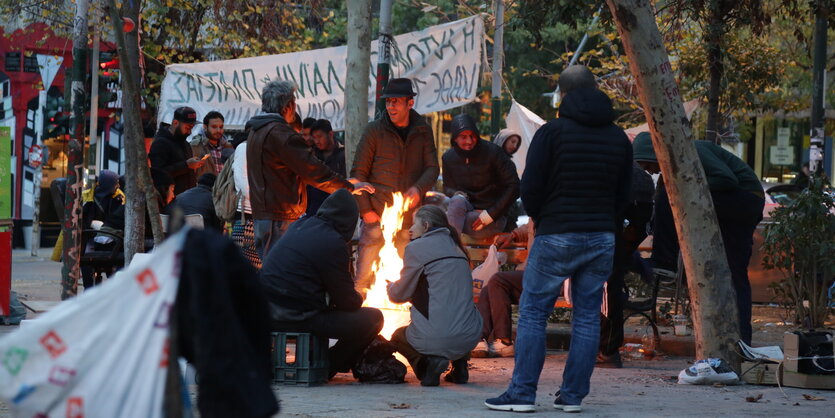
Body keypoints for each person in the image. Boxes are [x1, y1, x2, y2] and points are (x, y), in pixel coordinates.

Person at [485, 65, 632, 413]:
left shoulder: (552, 133)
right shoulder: (617, 137)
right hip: (601, 238)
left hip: (557, 234)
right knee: (586, 316)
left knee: (535, 313)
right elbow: (625, 194)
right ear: (594, 90)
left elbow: (531, 187)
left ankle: (522, 394)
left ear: (563, 95)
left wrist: (543, 217)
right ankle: (572, 397)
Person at [632, 132, 765, 345]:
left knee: (671, 187)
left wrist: (685, 185)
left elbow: (726, 179)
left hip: (744, 198)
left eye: (648, 165)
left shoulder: (693, 149)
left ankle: (665, 261)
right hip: (739, 204)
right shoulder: (674, 163)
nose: (650, 171)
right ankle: (741, 341)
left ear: (655, 153)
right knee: (734, 273)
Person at [262, 189, 384, 379]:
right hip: (298, 317)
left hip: (267, 311)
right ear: (348, 221)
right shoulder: (332, 242)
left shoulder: (300, 225)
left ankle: (315, 358)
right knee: (373, 318)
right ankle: (329, 364)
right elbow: (347, 302)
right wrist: (360, 294)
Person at [245, 80, 374, 259]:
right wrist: (348, 187)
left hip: (264, 214)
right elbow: (314, 172)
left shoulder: (256, 131)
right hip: (280, 217)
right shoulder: (281, 134)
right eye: (294, 102)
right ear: (289, 106)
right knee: (282, 273)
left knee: (272, 272)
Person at [351, 78, 440, 297]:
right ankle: (357, 314)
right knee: (362, 278)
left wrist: (418, 189)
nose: (391, 106)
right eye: (388, 102)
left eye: (396, 102)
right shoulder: (374, 131)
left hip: (407, 217)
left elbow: (432, 168)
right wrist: (366, 211)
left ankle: (401, 322)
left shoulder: (423, 131)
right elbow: (357, 175)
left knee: (403, 276)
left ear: (410, 103)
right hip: (375, 211)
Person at [387, 205, 482, 386]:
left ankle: (429, 367)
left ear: (427, 225)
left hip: (437, 336)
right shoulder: (458, 248)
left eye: (414, 223)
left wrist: (391, 287)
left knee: (398, 336)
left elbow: (399, 296)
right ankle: (460, 367)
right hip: (469, 335)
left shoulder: (416, 248)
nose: (411, 229)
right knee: (455, 315)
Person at [597, 160, 655, 368]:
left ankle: (606, 350)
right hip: (615, 235)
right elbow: (640, 224)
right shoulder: (637, 174)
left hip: (603, 237)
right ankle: (606, 349)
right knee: (608, 290)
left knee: (605, 292)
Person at [442, 114, 519, 239]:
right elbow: (448, 188)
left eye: (472, 136)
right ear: (455, 138)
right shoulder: (448, 157)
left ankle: (450, 246)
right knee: (454, 204)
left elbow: (514, 185)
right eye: (463, 137)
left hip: (493, 216)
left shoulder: (493, 152)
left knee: (446, 221)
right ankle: (451, 248)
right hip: (465, 211)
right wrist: (461, 195)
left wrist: (489, 214)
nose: (469, 141)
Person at [80, 170, 125, 288]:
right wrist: (92, 223)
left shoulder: (119, 198)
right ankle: (89, 289)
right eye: (116, 183)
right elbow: (83, 220)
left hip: (111, 237)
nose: (118, 186)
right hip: (92, 237)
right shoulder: (88, 197)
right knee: (86, 259)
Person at [149, 106, 205, 195]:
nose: (190, 132)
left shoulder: (185, 143)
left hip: (186, 198)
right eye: (187, 128)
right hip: (170, 200)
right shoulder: (160, 143)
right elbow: (158, 174)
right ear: (175, 123)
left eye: (192, 128)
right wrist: (186, 165)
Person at [306, 119, 346, 216]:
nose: (316, 141)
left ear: (331, 134)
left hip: (336, 210)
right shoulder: (312, 155)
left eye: (319, 137)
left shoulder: (344, 154)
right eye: (314, 137)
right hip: (314, 211)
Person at [190, 110, 233, 177]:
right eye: (214, 127)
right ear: (205, 127)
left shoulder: (228, 147)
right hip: (204, 186)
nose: (218, 130)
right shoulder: (195, 146)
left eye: (221, 127)